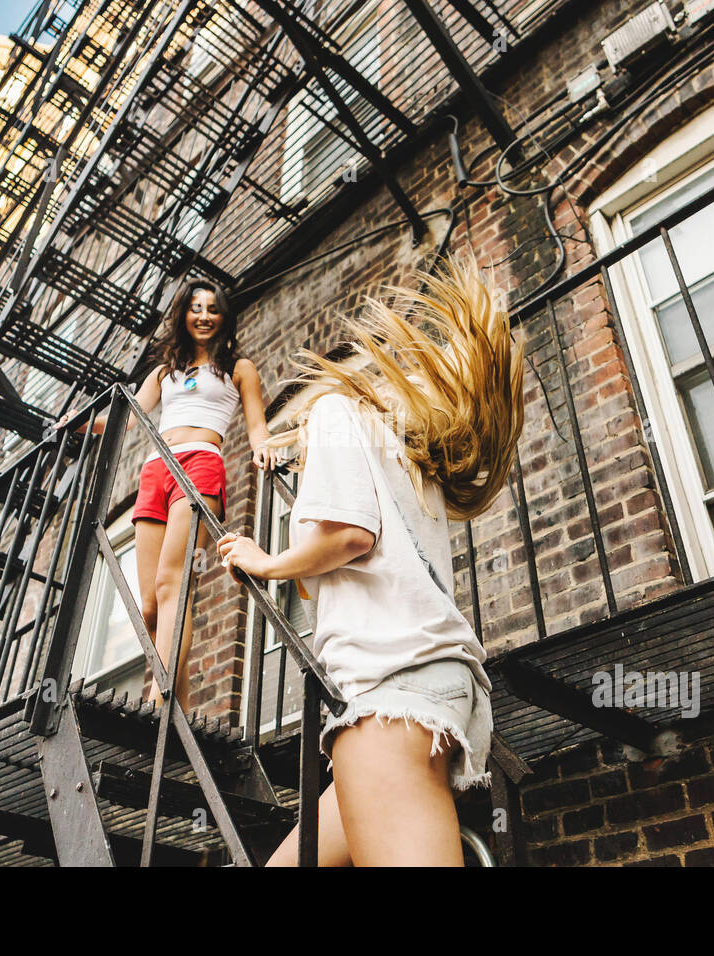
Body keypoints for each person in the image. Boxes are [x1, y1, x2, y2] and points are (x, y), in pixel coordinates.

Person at [217, 255, 525, 866]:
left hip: (390, 695)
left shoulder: (333, 413)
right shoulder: (414, 460)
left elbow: (351, 536)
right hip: (431, 688)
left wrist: (267, 561)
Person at [70, 279, 277, 709]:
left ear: (224, 317)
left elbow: (257, 425)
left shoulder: (239, 368)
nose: (204, 316)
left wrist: (263, 447)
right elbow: (126, 417)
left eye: (213, 308)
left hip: (201, 464)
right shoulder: (164, 372)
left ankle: (158, 701)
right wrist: (81, 422)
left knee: (173, 584)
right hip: (155, 471)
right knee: (148, 606)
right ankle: (175, 699)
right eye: (195, 308)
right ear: (184, 315)